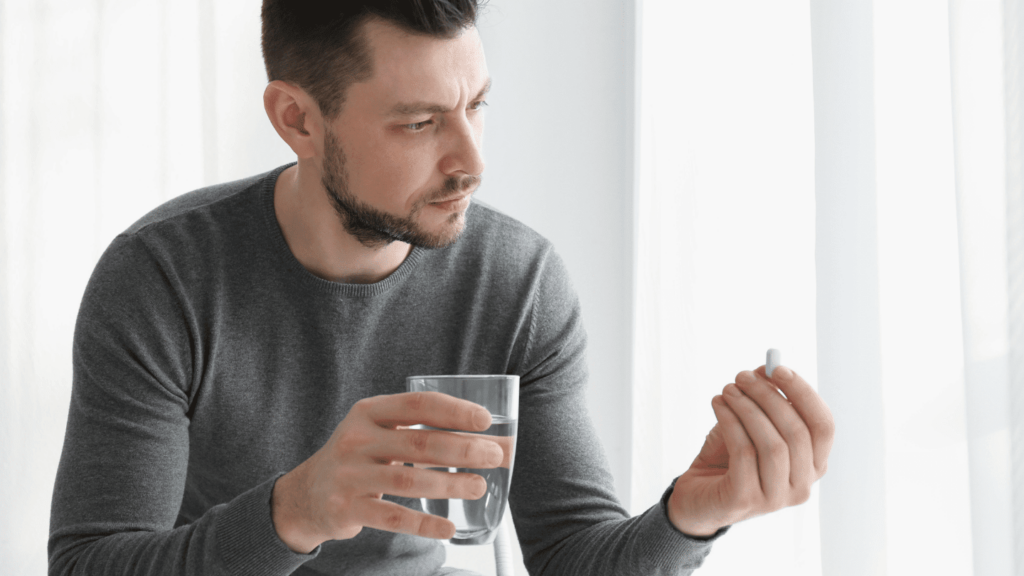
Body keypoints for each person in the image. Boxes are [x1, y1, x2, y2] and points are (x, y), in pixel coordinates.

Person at [48, 1, 835, 575]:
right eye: (420, 123)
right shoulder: (163, 279)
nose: (472, 162)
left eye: (477, 106)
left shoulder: (516, 283)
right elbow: (90, 565)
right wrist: (297, 509)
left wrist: (691, 518)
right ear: (298, 120)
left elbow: (573, 558)